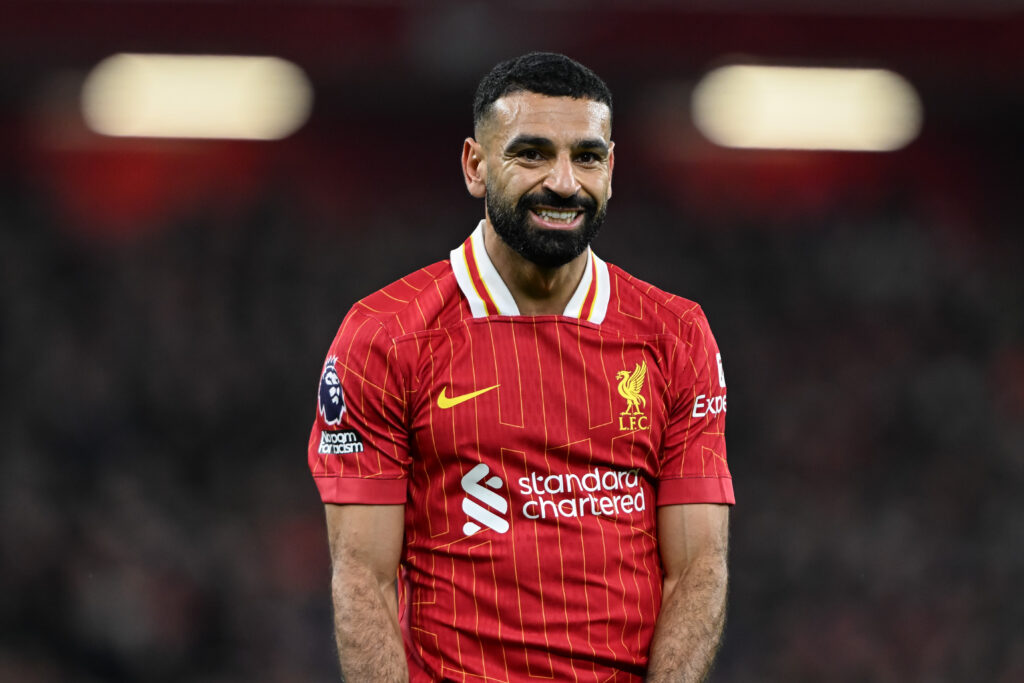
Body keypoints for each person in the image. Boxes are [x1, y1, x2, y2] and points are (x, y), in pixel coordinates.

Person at [307, 52, 734, 683]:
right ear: (476, 167)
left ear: (611, 169)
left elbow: (698, 568)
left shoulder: (676, 334)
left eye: (587, 157)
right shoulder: (386, 333)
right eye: (531, 153)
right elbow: (362, 578)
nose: (564, 182)